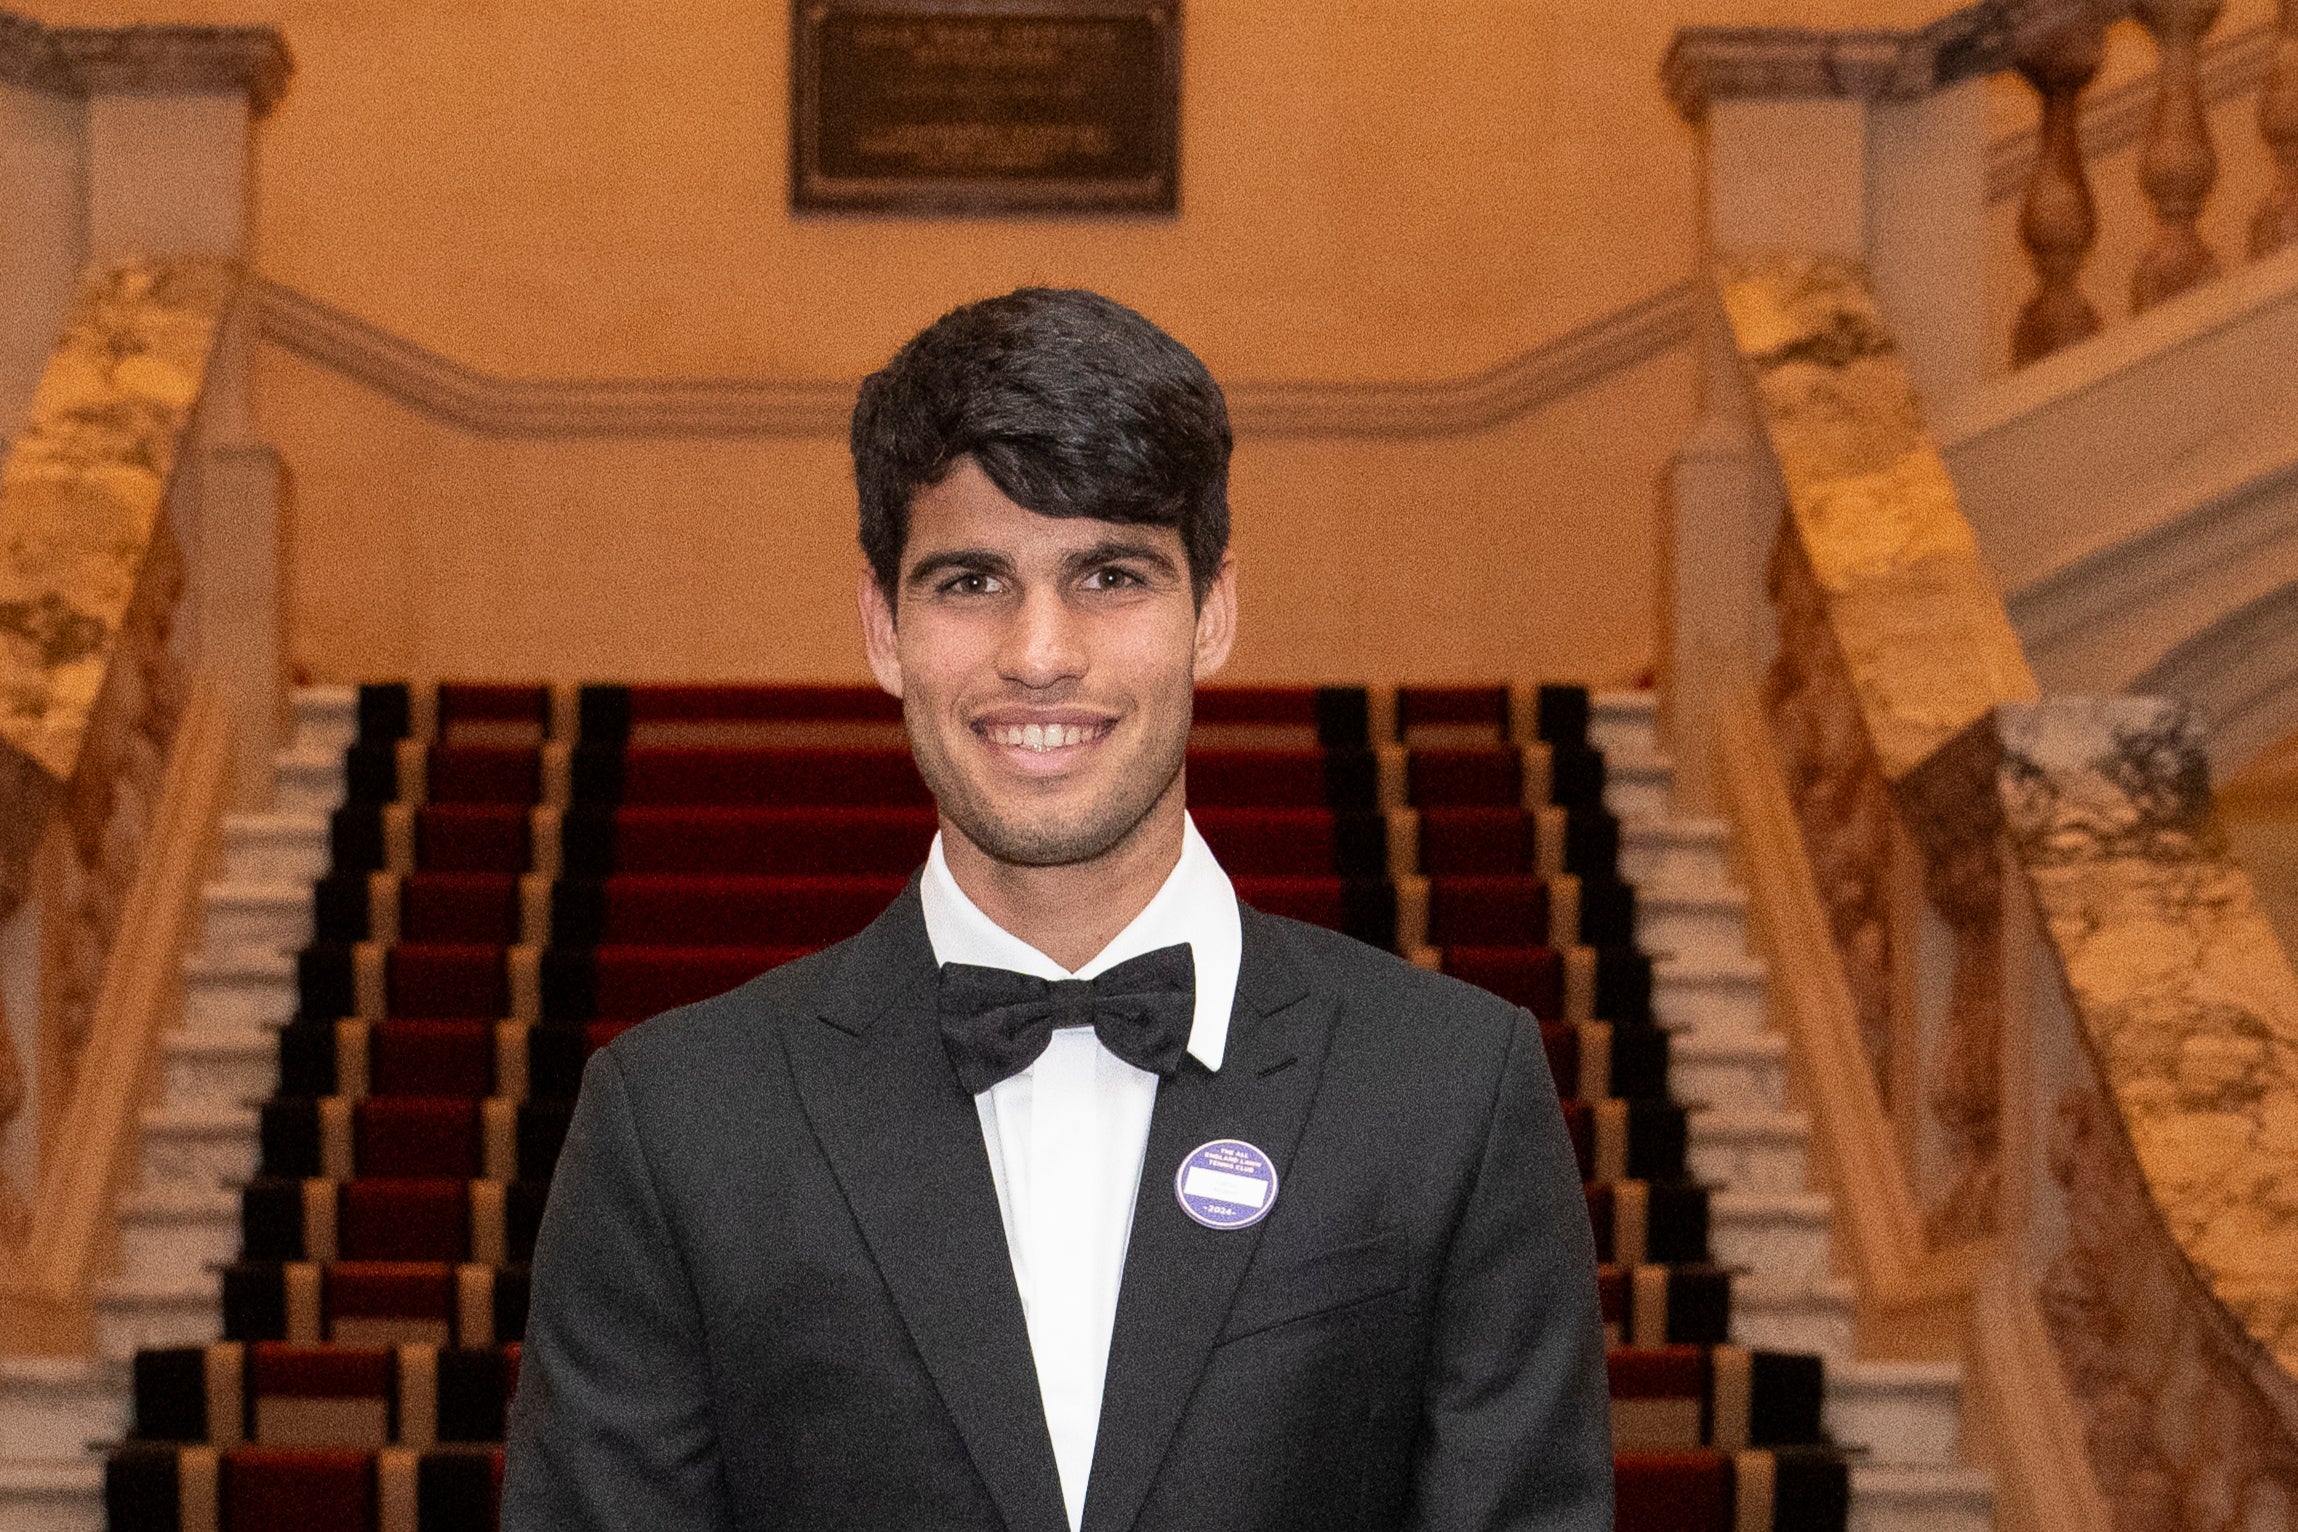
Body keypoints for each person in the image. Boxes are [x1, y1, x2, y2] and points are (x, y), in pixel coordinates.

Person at [501, 288, 1612, 1531]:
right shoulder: (677, 1121)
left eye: (1110, 574)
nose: (1040, 650)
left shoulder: (1453, 1089)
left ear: (1215, 612)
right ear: (885, 627)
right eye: (971, 579)